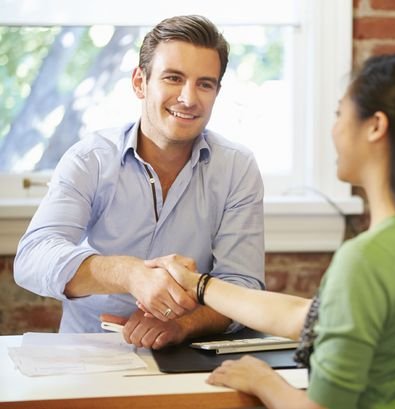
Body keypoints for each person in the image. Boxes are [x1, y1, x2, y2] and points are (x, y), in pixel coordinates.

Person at [141, 53, 395, 408]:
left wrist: (265, 382)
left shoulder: (366, 261)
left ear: (375, 126)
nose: (334, 129)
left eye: (340, 113)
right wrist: (198, 285)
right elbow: (305, 316)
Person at [13, 15, 265, 349]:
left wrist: (184, 325)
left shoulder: (238, 167)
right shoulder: (90, 158)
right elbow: (33, 258)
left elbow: (243, 287)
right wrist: (131, 275)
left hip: (185, 355)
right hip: (87, 353)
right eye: (173, 78)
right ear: (139, 83)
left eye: (205, 84)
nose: (189, 98)